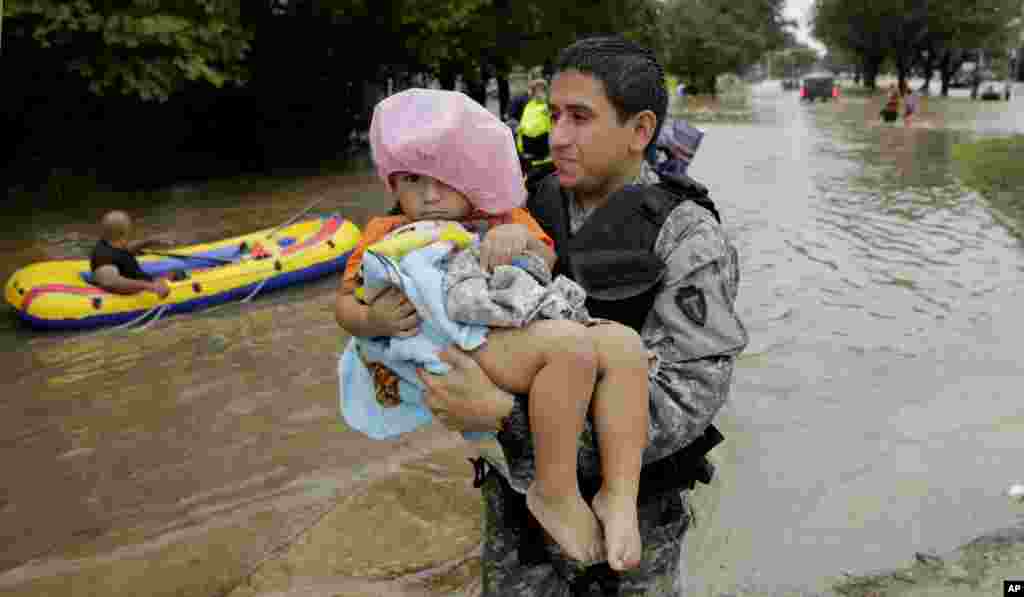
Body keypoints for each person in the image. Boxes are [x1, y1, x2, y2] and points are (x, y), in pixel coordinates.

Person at [415, 36, 748, 594]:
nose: (557, 135)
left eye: (580, 118)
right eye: (555, 115)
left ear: (639, 131)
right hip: (517, 522)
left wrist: (504, 414)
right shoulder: (513, 206)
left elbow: (682, 405)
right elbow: (431, 299)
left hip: (633, 529)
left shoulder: (688, 237)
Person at [334, 88, 653, 568]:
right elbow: (345, 303)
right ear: (394, 183)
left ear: (474, 176)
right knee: (570, 348)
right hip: (470, 341)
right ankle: (555, 490)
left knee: (626, 346)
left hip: (521, 322)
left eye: (445, 179)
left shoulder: (504, 217)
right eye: (413, 180)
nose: (430, 194)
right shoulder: (386, 234)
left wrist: (516, 237)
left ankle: (619, 494)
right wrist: (371, 319)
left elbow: (545, 257)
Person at [90, 211, 171, 298]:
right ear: (124, 233)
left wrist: (149, 241)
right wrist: (150, 286)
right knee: (177, 274)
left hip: (143, 280)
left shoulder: (108, 243)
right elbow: (110, 282)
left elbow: (124, 250)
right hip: (141, 289)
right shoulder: (104, 257)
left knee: (173, 273)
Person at [515, 79, 556, 192]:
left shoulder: (548, 107)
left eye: (541, 91)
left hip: (545, 158)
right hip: (528, 157)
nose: (538, 94)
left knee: (544, 189)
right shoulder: (529, 106)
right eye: (535, 91)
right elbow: (525, 125)